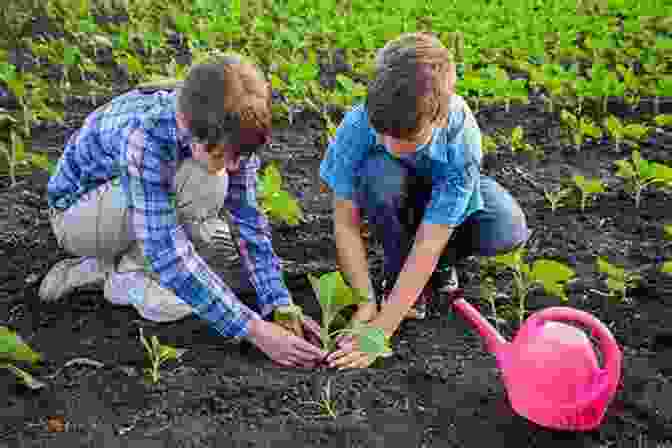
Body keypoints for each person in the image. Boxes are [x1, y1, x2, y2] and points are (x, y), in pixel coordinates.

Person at [38, 54, 326, 368]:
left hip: (135, 208)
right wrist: (255, 330)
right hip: (78, 217)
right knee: (207, 180)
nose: (234, 166)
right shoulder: (144, 135)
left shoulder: (228, 127)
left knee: (215, 228)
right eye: (222, 154)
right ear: (188, 128)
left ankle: (109, 265)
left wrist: (278, 302)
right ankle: (124, 274)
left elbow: (249, 224)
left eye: (240, 156)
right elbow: (166, 251)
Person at [319, 33, 530, 369]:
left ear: (439, 119)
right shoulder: (358, 125)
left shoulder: (461, 136)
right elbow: (345, 221)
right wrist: (365, 304)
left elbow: (430, 241)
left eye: (407, 138)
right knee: (380, 172)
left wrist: (380, 332)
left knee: (506, 228)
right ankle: (396, 272)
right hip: (389, 192)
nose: (389, 144)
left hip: (438, 206)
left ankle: (440, 269)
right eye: (381, 133)